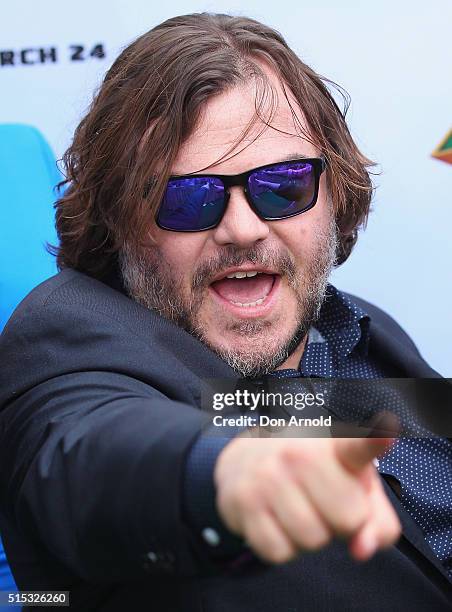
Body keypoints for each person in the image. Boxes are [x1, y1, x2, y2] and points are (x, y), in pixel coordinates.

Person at [0, 12, 450, 611]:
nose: (242, 228)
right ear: (119, 222)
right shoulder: (69, 339)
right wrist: (224, 477)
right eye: (187, 199)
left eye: (283, 185)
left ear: (334, 190)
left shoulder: (356, 325)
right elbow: (89, 454)